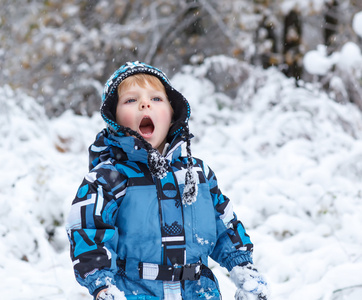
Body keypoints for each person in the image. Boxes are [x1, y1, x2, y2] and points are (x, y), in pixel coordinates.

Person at [66, 61, 268, 300]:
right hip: (134, 291)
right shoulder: (108, 179)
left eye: (156, 99)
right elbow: (89, 231)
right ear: (114, 118)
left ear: (173, 112)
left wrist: (242, 268)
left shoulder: (197, 174)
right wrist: (102, 285)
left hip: (198, 292)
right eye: (131, 100)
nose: (145, 103)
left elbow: (225, 225)